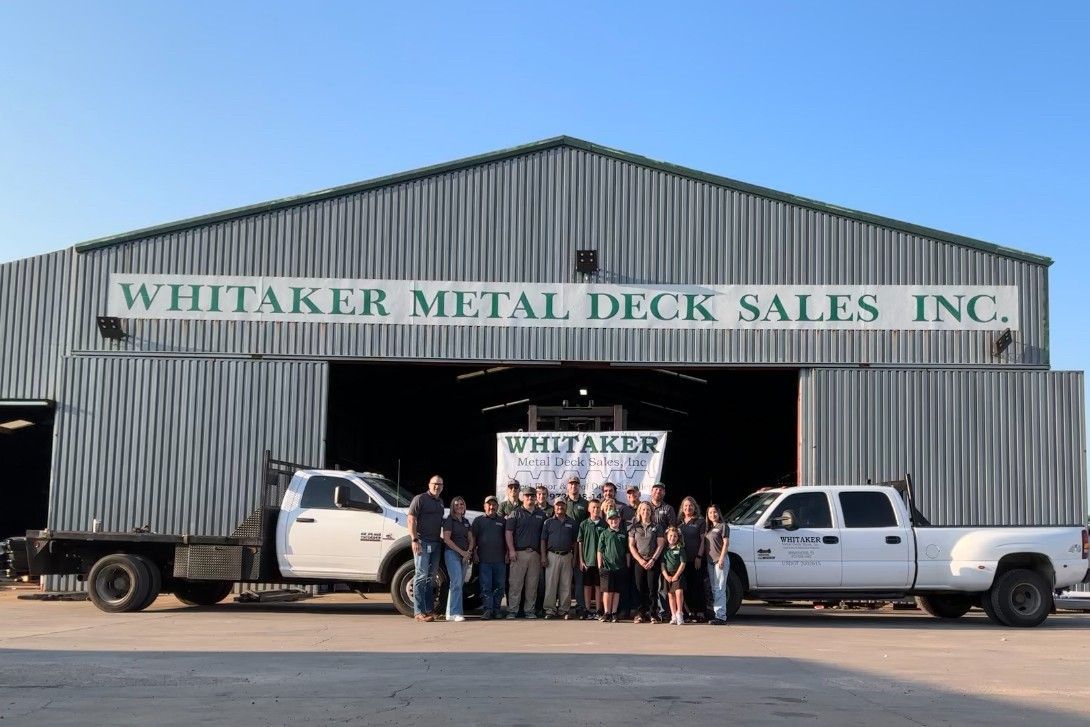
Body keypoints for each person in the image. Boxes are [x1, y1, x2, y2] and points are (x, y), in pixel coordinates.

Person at [407, 475, 445, 622]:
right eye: (435, 484)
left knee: (431, 578)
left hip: (435, 544)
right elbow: (411, 519)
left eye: (440, 485)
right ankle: (418, 612)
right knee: (421, 576)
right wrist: (414, 539)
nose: (437, 487)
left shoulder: (440, 502)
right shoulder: (420, 499)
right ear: (429, 484)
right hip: (422, 542)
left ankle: (429, 610)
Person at [505, 486, 546, 619]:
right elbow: (508, 533)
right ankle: (512, 610)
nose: (530, 498)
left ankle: (529, 610)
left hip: (535, 554)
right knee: (515, 584)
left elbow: (544, 537)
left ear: (535, 498)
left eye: (532, 496)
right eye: (527, 496)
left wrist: (542, 554)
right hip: (519, 553)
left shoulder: (541, 514)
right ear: (523, 497)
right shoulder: (515, 513)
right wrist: (511, 550)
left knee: (532, 585)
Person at [628, 501, 665, 623]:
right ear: (639, 512)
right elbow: (631, 546)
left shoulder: (657, 527)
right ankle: (640, 613)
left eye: (648, 510)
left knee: (652, 588)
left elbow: (660, 544)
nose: (645, 512)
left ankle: (653, 613)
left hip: (653, 561)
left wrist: (653, 559)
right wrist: (640, 560)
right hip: (639, 562)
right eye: (643, 510)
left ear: (651, 512)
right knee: (639, 587)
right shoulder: (634, 527)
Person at [540, 499, 577, 619]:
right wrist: (544, 556)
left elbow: (576, 542)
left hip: (567, 556)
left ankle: (563, 610)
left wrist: (575, 557)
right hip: (552, 555)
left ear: (566, 506)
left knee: (565, 584)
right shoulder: (548, 522)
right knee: (551, 584)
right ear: (554, 507)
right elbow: (543, 540)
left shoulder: (572, 522)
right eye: (557, 505)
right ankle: (550, 610)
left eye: (562, 505)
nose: (560, 507)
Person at [472, 495, 507, 620]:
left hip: (500, 560)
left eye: (494, 505)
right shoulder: (478, 520)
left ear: (497, 506)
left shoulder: (503, 521)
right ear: (485, 506)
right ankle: (487, 610)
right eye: (489, 504)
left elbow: (507, 539)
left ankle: (497, 610)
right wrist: (474, 553)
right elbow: (473, 538)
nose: (492, 507)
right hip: (484, 560)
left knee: (499, 586)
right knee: (486, 586)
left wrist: (508, 553)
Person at [441, 496, 474, 622]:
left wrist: (469, 552)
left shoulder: (466, 521)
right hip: (452, 554)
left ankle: (450, 613)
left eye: (462, 504)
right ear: (453, 507)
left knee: (458, 584)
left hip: (465, 556)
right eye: (457, 505)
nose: (460, 506)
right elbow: (447, 539)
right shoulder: (449, 520)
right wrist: (461, 552)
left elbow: (471, 539)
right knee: (456, 583)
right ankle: (456, 612)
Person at [649, 481, 677, 620]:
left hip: (663, 552)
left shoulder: (668, 509)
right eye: (655, 489)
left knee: (662, 583)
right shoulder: (645, 507)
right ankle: (651, 610)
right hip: (648, 552)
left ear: (664, 493)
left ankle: (663, 612)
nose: (658, 492)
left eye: (660, 490)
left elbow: (673, 529)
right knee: (650, 583)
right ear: (651, 491)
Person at [596, 509, 629, 623]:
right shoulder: (604, 533)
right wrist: (600, 565)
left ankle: (614, 612)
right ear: (607, 521)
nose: (613, 521)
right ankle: (607, 612)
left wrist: (627, 565)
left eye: (616, 518)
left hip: (620, 566)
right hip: (607, 567)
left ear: (619, 519)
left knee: (616, 591)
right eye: (611, 519)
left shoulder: (624, 533)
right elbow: (600, 550)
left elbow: (627, 551)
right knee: (607, 591)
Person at [678, 496, 707, 622]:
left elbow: (703, 540)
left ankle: (700, 612)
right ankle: (689, 614)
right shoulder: (680, 523)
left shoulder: (700, 521)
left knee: (698, 586)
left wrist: (699, 556)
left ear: (695, 507)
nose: (688, 508)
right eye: (685, 506)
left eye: (690, 505)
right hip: (683, 561)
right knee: (686, 587)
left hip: (696, 559)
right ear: (682, 508)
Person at [564, 475, 589, 616]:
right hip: (565, 545)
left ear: (579, 486)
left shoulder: (585, 503)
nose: (573, 486)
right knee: (565, 579)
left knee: (579, 579)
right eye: (571, 484)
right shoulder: (562, 503)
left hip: (580, 546)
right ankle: (565, 607)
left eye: (576, 484)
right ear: (568, 486)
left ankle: (580, 607)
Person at [577, 498, 606, 619]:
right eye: (593, 507)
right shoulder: (584, 524)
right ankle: (588, 609)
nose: (596, 509)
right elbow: (580, 542)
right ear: (589, 509)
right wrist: (581, 560)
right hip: (588, 561)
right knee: (587, 586)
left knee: (599, 586)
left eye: (598, 507)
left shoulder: (604, 524)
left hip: (600, 562)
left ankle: (599, 610)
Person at [705, 503, 731, 625]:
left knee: (720, 588)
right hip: (710, 562)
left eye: (714, 512)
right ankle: (717, 614)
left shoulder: (723, 526)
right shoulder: (709, 528)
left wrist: (721, 559)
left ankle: (721, 616)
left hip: (720, 561)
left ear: (718, 513)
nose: (712, 514)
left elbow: (726, 543)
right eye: (710, 513)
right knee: (715, 589)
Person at [661, 526, 687, 625]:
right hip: (668, 575)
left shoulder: (680, 548)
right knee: (671, 595)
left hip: (678, 574)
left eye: (675, 536)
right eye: (670, 536)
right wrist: (666, 576)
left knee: (679, 593)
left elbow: (683, 563)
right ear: (667, 537)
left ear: (678, 537)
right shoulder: (665, 550)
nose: (673, 538)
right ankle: (673, 616)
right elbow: (662, 564)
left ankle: (679, 613)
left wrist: (676, 575)